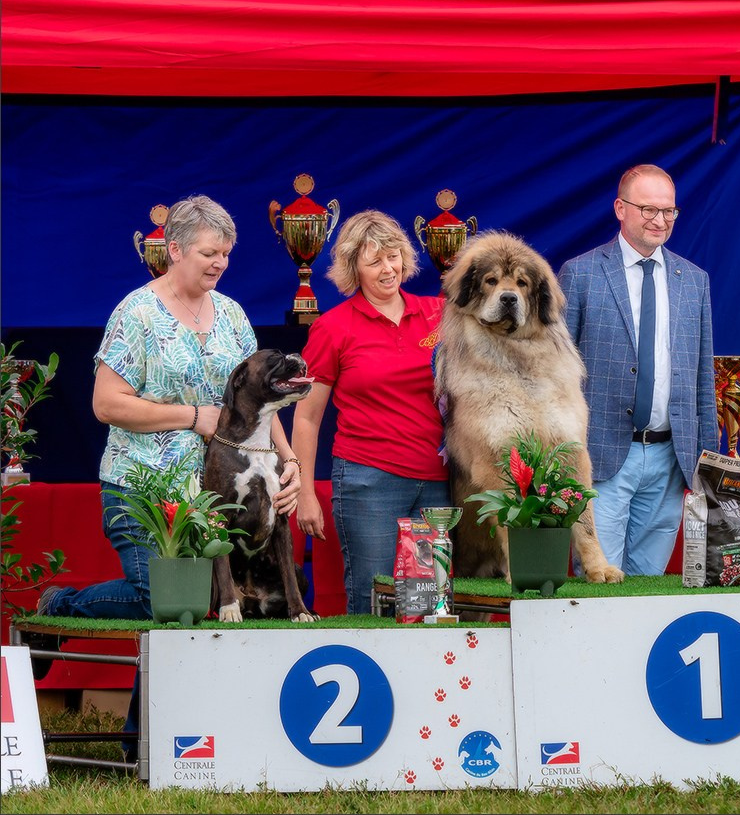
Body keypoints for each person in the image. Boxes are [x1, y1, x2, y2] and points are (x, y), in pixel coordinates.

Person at [35, 194, 301, 760]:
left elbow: (264, 401)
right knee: (163, 597)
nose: (220, 263)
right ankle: (62, 607)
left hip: (215, 498)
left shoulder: (232, 315)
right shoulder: (135, 314)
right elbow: (106, 404)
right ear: (174, 249)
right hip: (143, 490)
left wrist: (290, 464)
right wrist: (191, 416)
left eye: (226, 254)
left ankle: (143, 742)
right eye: (209, 253)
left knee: (190, 609)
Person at [559, 164, 719, 576]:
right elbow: (557, 373)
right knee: (599, 582)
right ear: (620, 208)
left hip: (671, 458)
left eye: (668, 211)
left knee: (649, 587)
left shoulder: (694, 281)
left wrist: (708, 460)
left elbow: (703, 379)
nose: (660, 220)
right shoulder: (580, 274)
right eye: (648, 209)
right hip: (601, 455)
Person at [292, 209, 450, 615]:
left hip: (437, 481)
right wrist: (305, 493)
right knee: (375, 600)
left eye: (393, 256)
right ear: (353, 268)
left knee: (425, 605)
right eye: (374, 261)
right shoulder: (332, 327)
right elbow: (306, 418)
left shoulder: (439, 315)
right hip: (368, 482)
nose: (387, 269)